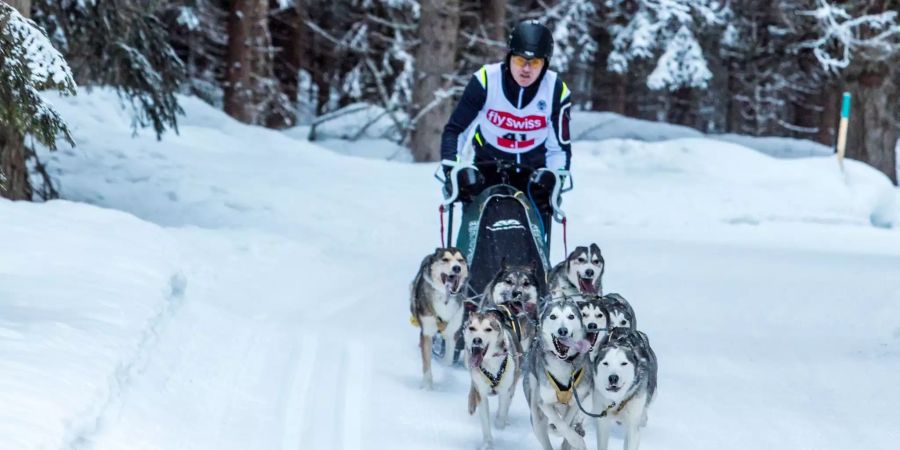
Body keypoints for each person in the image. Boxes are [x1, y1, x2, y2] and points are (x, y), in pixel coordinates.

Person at [441, 19, 572, 235]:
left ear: (545, 64)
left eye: (535, 62)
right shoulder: (485, 80)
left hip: (532, 175)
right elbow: (456, 130)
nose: (527, 69)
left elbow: (559, 148)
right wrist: (452, 170)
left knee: (529, 242)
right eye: (521, 60)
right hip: (487, 168)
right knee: (480, 236)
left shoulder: (556, 91)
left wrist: (555, 178)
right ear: (509, 56)